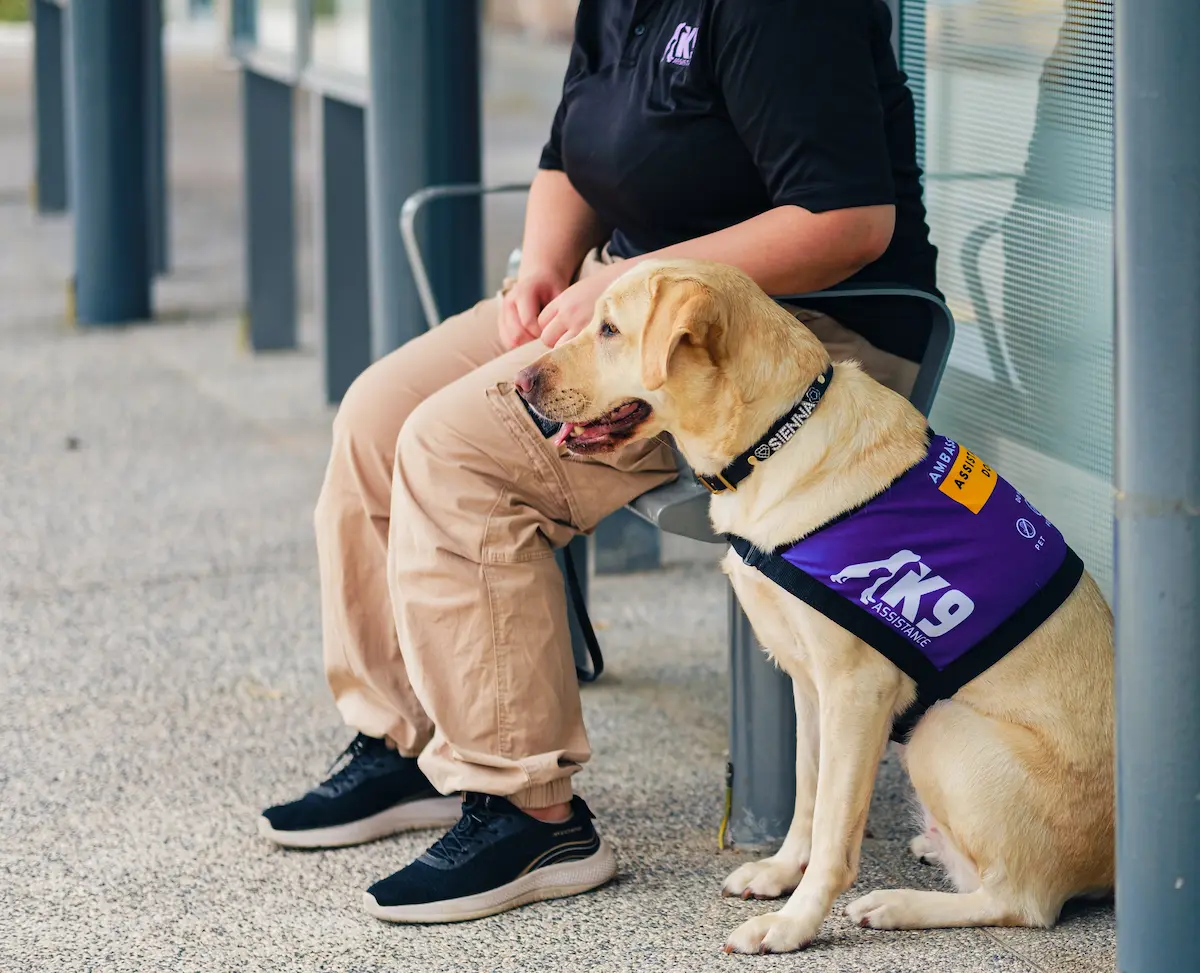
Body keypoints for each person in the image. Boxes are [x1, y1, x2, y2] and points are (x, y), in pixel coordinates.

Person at [258, 0, 939, 924]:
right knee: (378, 414)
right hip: (627, 304)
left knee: (457, 452)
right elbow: (566, 156)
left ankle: (531, 811)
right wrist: (543, 265)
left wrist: (624, 283)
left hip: (788, 338)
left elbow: (846, 219)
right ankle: (406, 738)